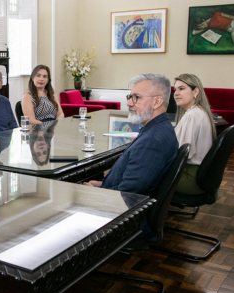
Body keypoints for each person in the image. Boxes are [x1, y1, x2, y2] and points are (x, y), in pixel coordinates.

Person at [84, 73, 178, 240]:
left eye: (136, 98)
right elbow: (134, 181)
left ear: (157, 101)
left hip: (127, 221)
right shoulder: (159, 128)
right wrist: (103, 184)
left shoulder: (153, 141)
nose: (128, 103)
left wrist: (97, 194)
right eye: (129, 97)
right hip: (130, 208)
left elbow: (127, 194)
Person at [173, 74, 216, 194]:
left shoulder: (191, 116)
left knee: (146, 176)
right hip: (200, 175)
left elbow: (184, 154)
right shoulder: (200, 112)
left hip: (189, 177)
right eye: (175, 89)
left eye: (181, 89)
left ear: (195, 91)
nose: (176, 93)